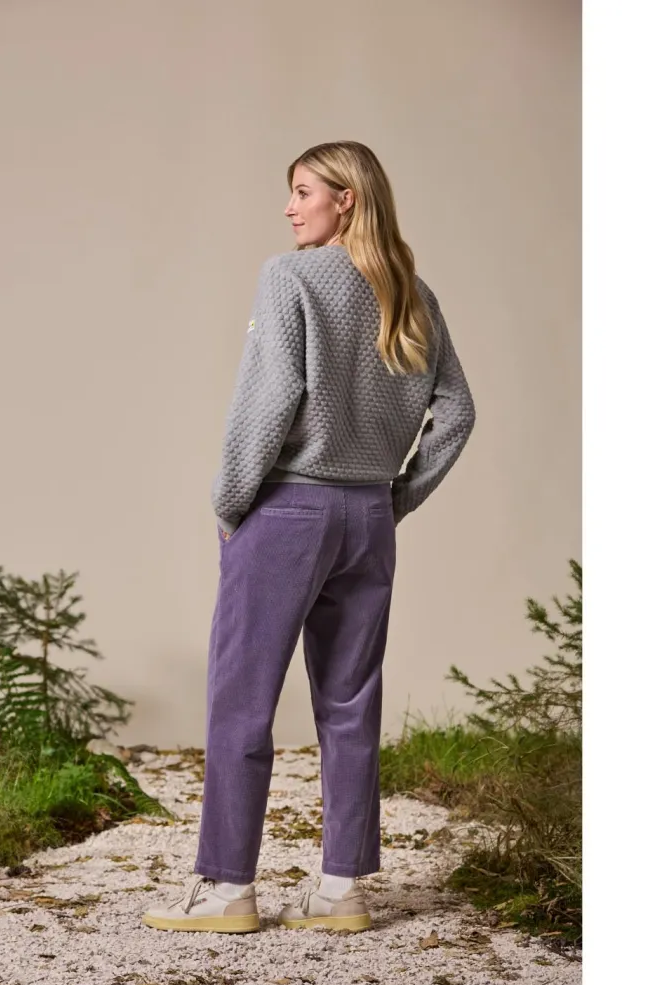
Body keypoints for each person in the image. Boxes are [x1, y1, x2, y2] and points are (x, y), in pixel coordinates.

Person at [142, 140, 476, 934]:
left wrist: (231, 503)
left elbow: (268, 400)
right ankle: (341, 890)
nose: (290, 207)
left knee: (241, 701)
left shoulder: (289, 277)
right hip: (368, 518)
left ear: (346, 198)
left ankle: (228, 890)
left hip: (287, 511)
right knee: (351, 703)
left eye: (302, 191)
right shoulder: (412, 292)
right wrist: (393, 499)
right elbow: (458, 412)